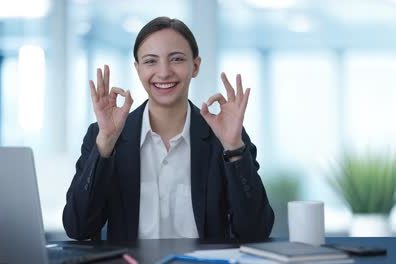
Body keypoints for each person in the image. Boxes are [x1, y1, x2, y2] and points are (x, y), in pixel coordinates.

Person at [63, 16, 274, 242]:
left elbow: (256, 231)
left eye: (176, 59)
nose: (163, 73)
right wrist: (105, 143)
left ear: (195, 66)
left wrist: (233, 147)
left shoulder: (224, 137)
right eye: (151, 61)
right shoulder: (103, 136)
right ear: (137, 69)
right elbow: (78, 228)